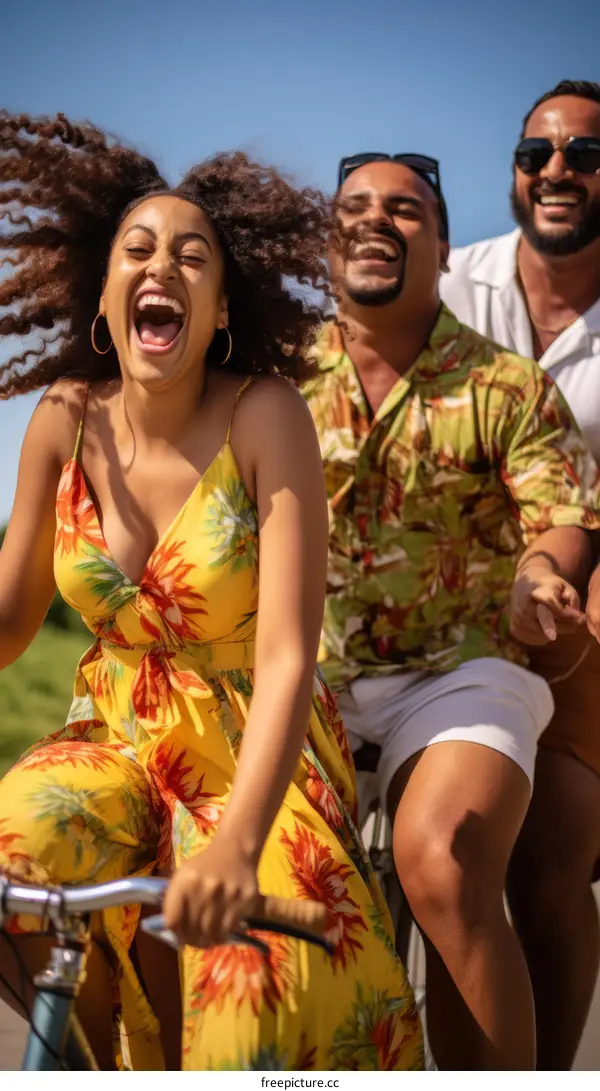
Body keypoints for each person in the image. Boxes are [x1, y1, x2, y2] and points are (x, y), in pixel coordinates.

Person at [0, 112, 423, 1073]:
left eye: (193, 258)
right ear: (102, 302)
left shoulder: (263, 413)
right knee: (16, 848)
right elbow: (8, 622)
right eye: (137, 251)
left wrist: (236, 846)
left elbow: (285, 655)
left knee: (250, 976)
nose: (163, 267)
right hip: (112, 734)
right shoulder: (63, 419)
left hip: (248, 754)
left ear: (222, 308)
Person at [303, 151, 600, 1071]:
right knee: (273, 893)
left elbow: (559, 516)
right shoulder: (269, 375)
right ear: (327, 242)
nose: (376, 221)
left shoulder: (509, 385)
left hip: (462, 669)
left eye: (405, 210)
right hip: (302, 675)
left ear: (442, 248)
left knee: (445, 857)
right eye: (354, 207)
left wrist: (540, 576)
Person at [441, 80, 600, 1070]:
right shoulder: (450, 283)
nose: (555, 171)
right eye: (535, 152)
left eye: (584, 155)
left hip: (584, 587)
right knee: (444, 851)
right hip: (445, 579)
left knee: (551, 851)